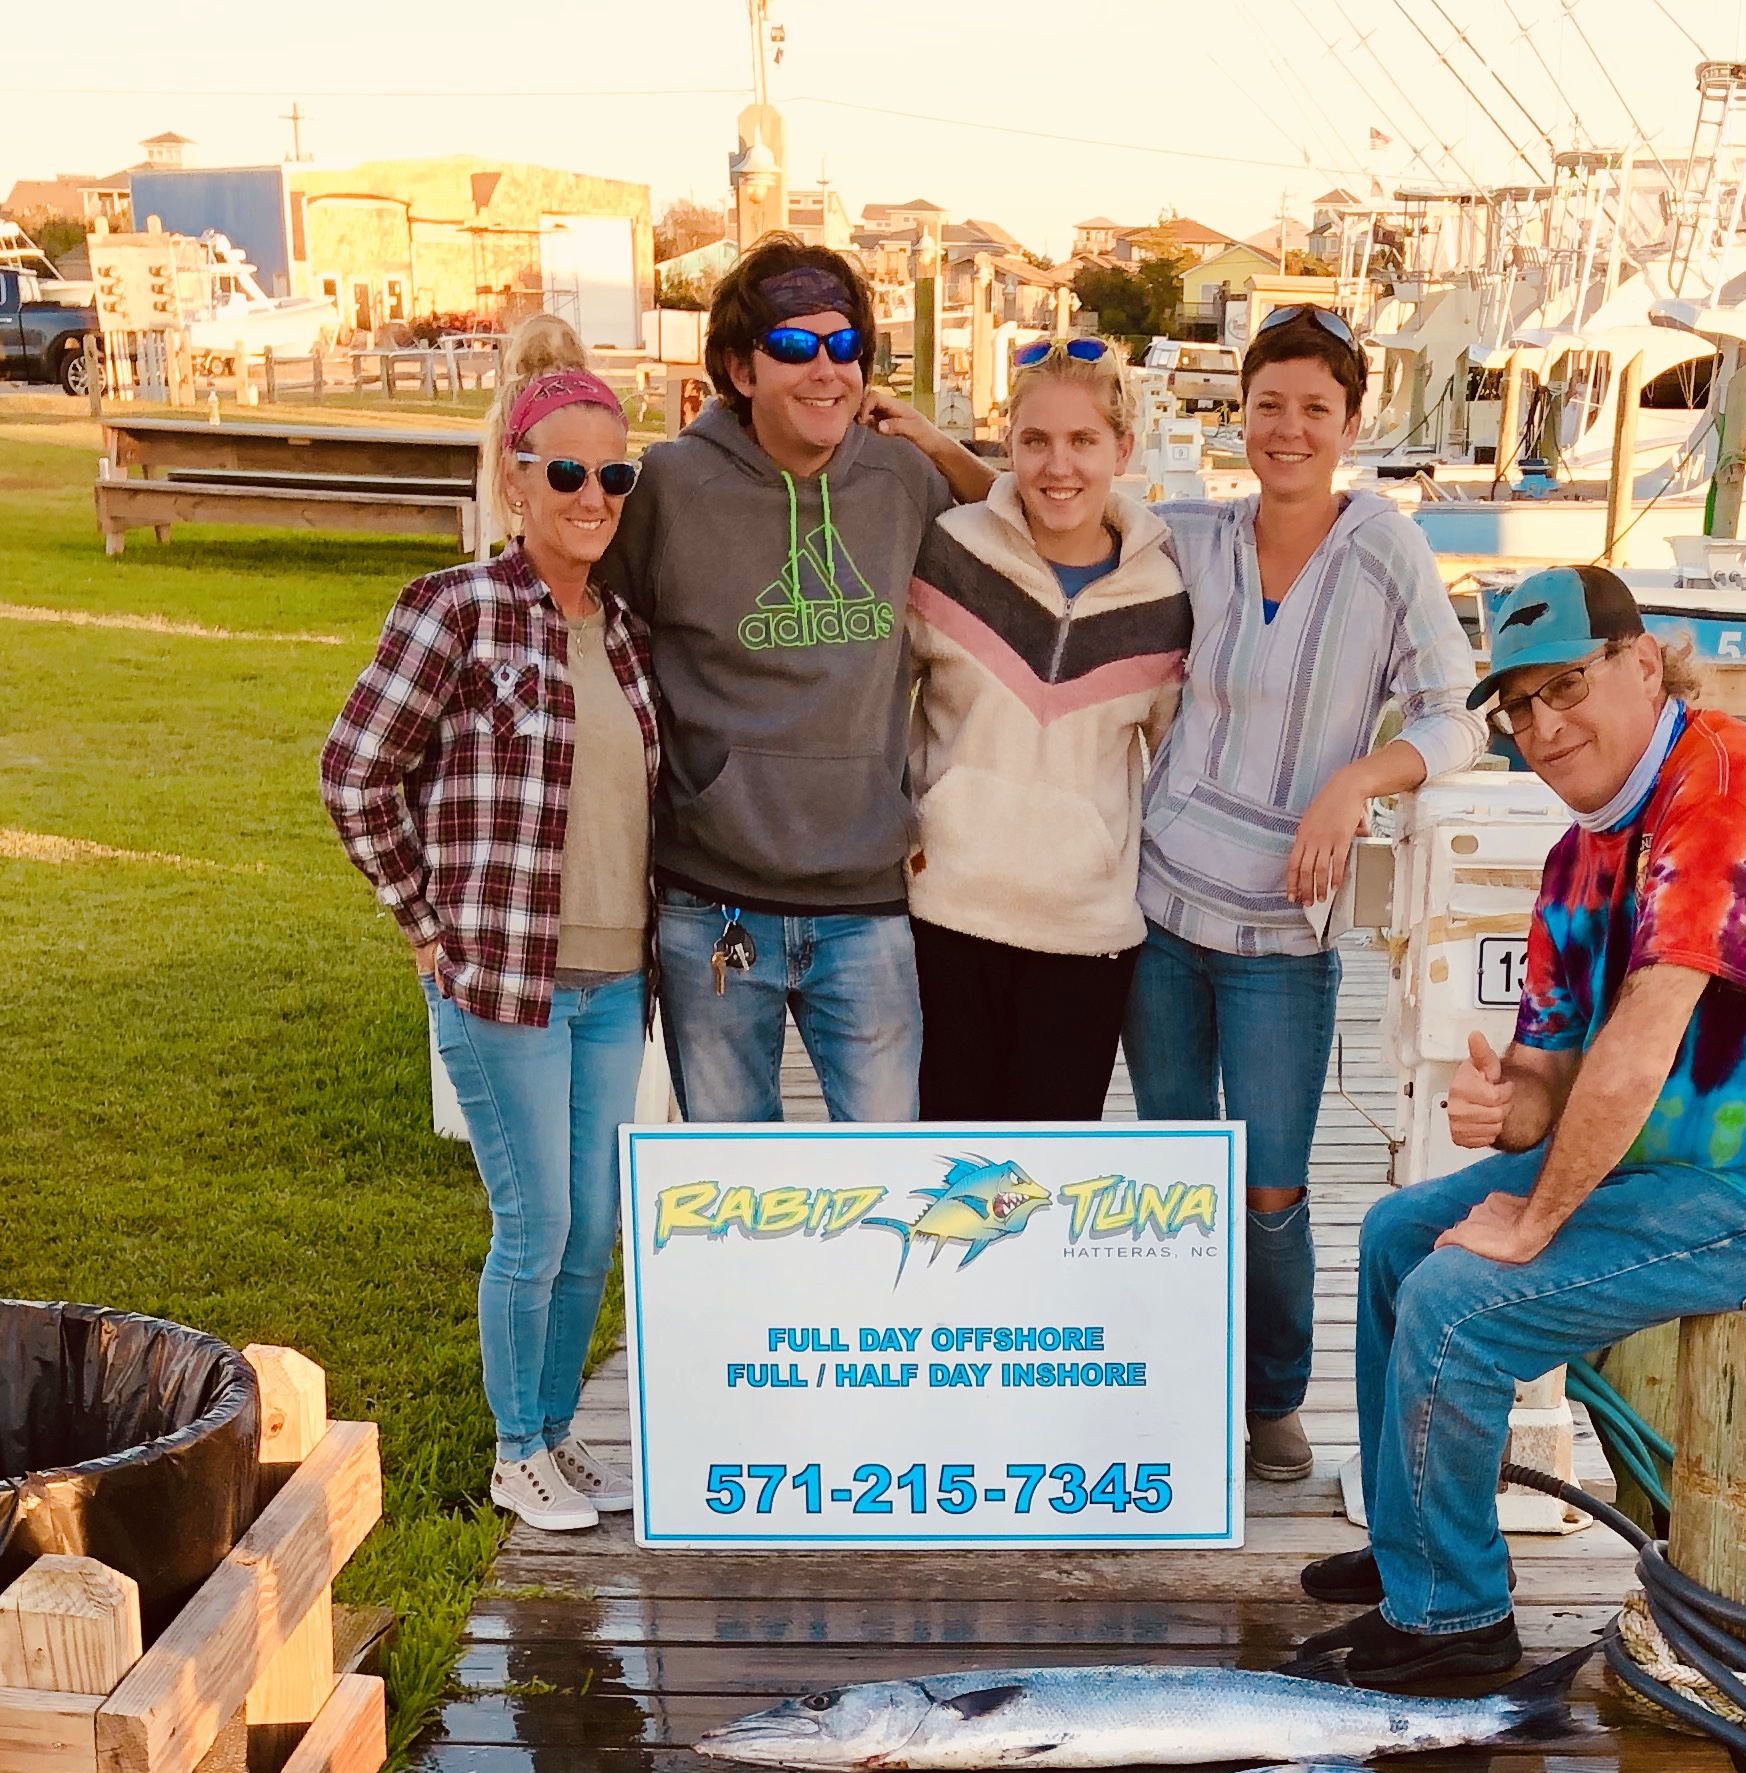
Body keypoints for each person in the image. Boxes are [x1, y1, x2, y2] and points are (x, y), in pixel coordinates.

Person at [1304, 564, 1746, 1687]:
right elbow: (1552, 1070)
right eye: (1520, 706)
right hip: (1662, 1170)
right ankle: (1413, 1553)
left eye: (1566, 686)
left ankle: (1457, 1624)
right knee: (1398, 1237)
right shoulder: (1581, 851)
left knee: (1458, 1300)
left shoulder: (1726, 791)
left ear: (1643, 662)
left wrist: (1535, 1218)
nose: (1543, 726)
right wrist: (1507, 1109)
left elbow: (1643, 1034)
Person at [320, 324, 660, 1542]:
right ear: (517, 480)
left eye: (612, 476)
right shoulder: (456, 610)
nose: (590, 496)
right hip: (501, 979)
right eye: (564, 473)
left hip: (616, 984)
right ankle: (518, 1446)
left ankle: (558, 1434)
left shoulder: (619, 631)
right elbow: (354, 773)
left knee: (594, 1228)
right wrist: (423, 923)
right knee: (538, 1224)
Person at [1128, 303, 1478, 1484]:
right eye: (1267, 403)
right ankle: (1178, 1392)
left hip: (1287, 925)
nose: (1287, 429)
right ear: (1241, 412)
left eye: (1314, 409)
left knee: (1273, 1181)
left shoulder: (1383, 547)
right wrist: (923, 446)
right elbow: (1057, 507)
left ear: (1350, 423)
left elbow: (1453, 712)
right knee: (1179, 1173)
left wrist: (1354, 785)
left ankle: (1270, 1398)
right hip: (1164, 907)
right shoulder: (1195, 535)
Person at [599, 234, 990, 1128]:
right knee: (735, 1191)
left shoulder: (901, 479)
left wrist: (940, 445)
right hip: (713, 903)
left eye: (845, 346)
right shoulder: (669, 485)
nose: (827, 370)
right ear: (740, 368)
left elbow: (1026, 541)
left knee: (889, 1179)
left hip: (867, 902)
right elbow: (584, 616)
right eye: (793, 347)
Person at [901, 338, 1191, 1122]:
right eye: (1036, 441)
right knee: (946, 1175)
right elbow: (886, 706)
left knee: (1043, 1197)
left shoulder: (1163, 596)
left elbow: (1172, 759)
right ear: (1008, 448)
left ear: (1123, 449)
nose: (1058, 466)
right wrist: (909, 828)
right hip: (945, 919)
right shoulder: (952, 553)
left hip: (1085, 940)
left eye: (1082, 441)